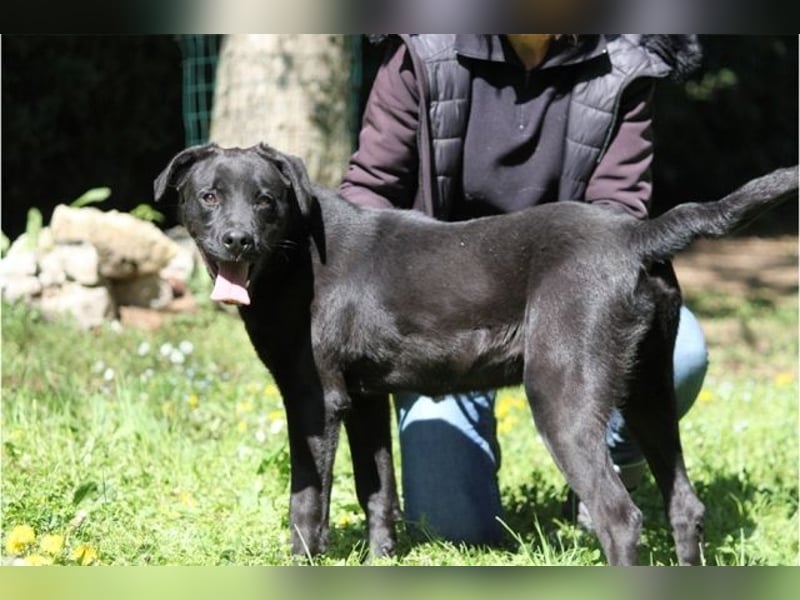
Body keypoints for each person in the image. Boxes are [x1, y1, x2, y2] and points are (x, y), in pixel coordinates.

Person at [338, 34, 707, 544]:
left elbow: (617, 217)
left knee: (682, 351)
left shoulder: (624, 67)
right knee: (454, 528)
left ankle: (608, 470)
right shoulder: (422, 51)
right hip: (440, 319)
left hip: (562, 302)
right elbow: (369, 192)